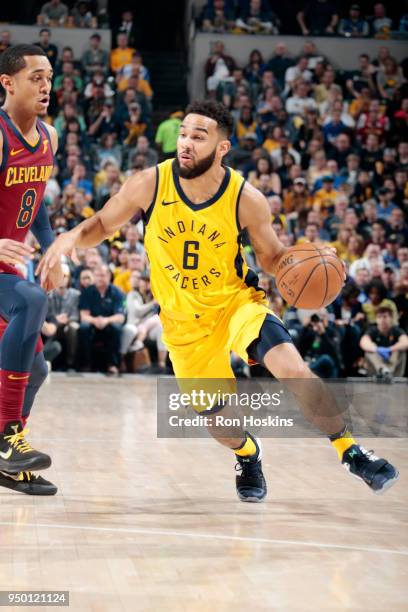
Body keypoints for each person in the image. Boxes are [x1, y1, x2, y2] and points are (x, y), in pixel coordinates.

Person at [38, 100, 399, 500]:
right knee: (221, 424)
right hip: (183, 325)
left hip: (236, 305)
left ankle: (350, 451)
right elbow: (103, 223)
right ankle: (248, 455)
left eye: (199, 135)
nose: (186, 143)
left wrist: (312, 267)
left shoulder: (246, 198)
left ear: (222, 148)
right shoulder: (150, 183)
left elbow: (274, 258)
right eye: (184, 133)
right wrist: (69, 237)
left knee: (293, 368)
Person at [0, 45, 62, 494]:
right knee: (32, 300)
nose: (46, 86)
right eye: (36, 77)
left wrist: (52, 246)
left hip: (9, 269)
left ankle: (7, 462)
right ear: (8, 82)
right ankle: (6, 439)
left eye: (49, 77)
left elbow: (35, 201)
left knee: (37, 371)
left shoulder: (49, 137)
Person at [78, 265, 125, 374]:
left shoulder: (117, 292)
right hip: (93, 322)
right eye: (97, 275)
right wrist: (95, 321)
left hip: (109, 322)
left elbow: (120, 316)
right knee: (84, 327)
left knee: (116, 328)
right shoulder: (87, 292)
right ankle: (86, 363)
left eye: (102, 275)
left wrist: (106, 320)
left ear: (109, 276)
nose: (99, 278)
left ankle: (113, 364)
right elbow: (84, 315)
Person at [360, 306, 408, 382]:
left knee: (400, 350)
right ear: (376, 319)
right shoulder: (372, 330)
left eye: (385, 316)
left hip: (394, 371)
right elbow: (363, 342)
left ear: (391, 318)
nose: (382, 319)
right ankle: (383, 370)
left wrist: (390, 349)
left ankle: (388, 372)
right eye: (379, 317)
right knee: (370, 350)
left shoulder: (396, 330)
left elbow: (405, 342)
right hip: (376, 371)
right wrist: (377, 349)